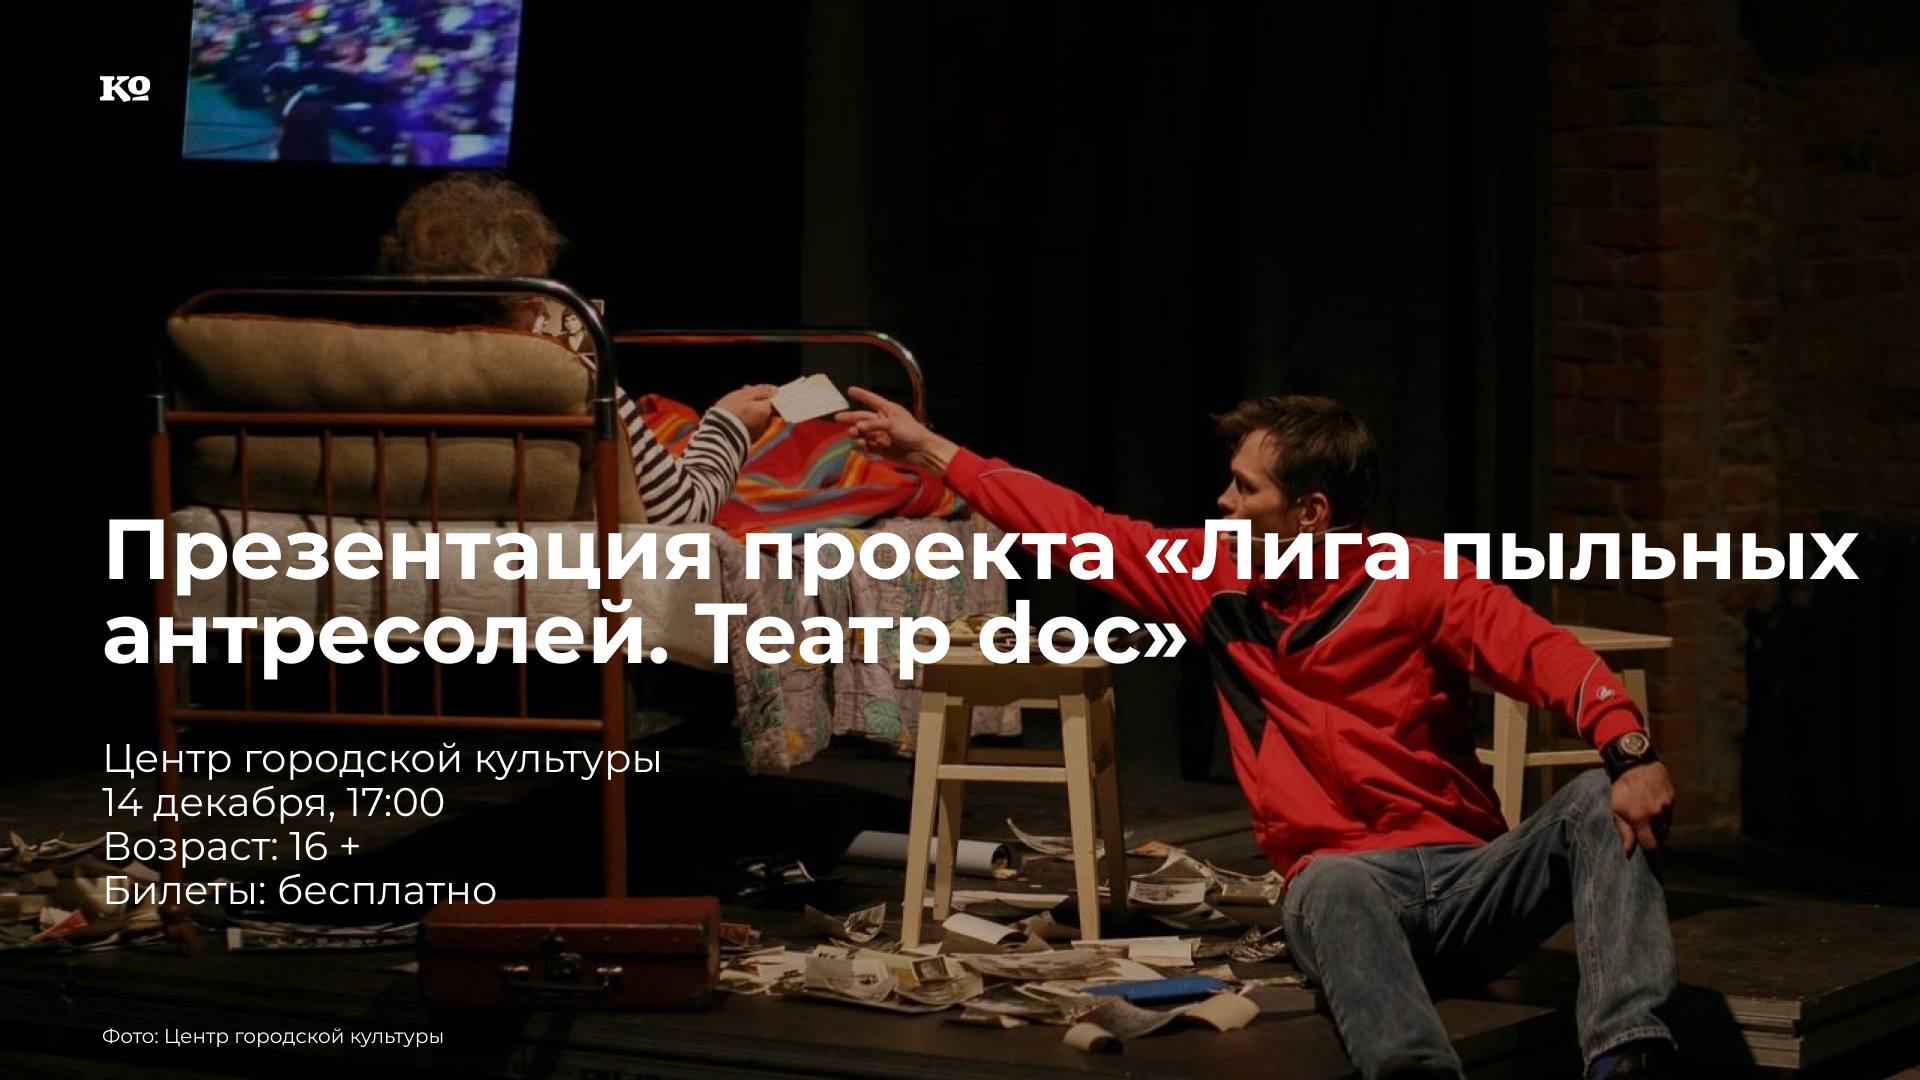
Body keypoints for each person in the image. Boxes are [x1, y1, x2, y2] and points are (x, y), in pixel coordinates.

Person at [838, 389, 1680, 1080]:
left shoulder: (1421, 579)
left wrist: (1628, 748)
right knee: (1332, 882)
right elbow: (1078, 528)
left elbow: (1544, 652)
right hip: (1345, 889)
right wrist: (930, 450)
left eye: (1245, 489)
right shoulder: (1216, 583)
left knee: (1597, 797)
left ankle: (1627, 1056)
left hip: (1469, 885)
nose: (1223, 503)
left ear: (1310, 511)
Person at [378, 173, 775, 525]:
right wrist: (729, 426)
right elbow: (679, 514)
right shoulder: (575, 384)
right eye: (537, 290)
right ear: (519, 301)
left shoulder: (364, 380)